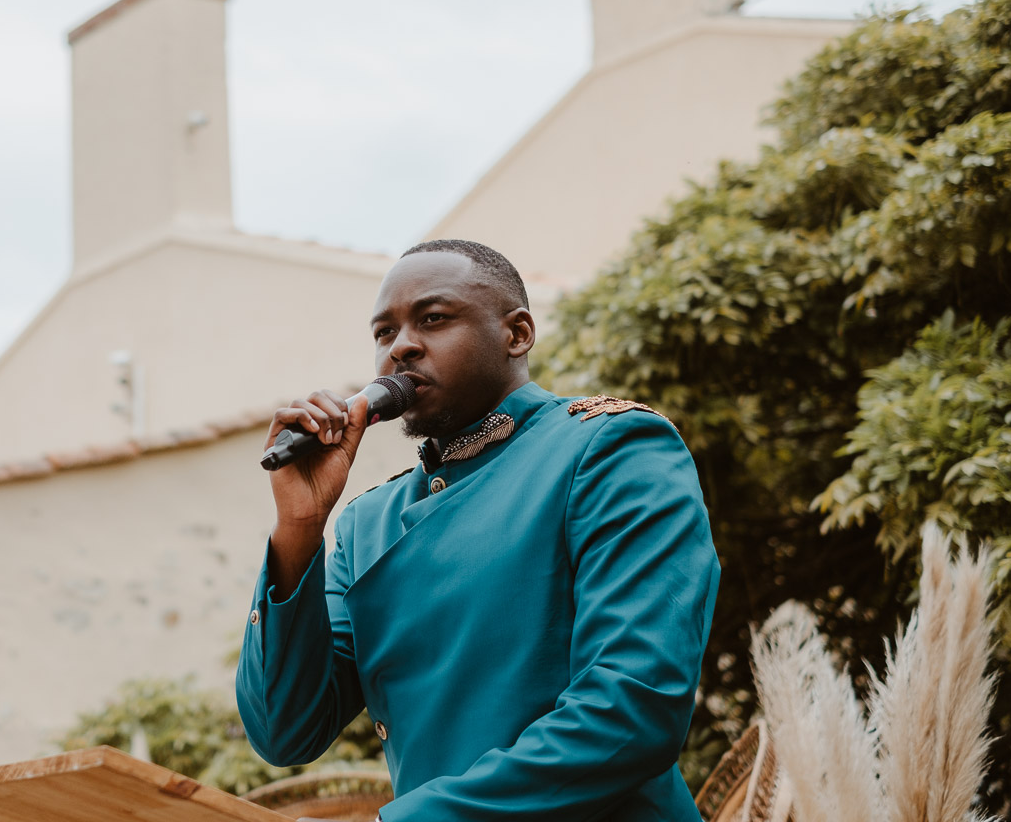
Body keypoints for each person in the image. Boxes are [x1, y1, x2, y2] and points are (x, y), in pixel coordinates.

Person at [235, 239, 720, 821]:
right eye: (383, 333)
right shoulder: (366, 522)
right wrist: (300, 527)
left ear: (517, 334)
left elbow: (631, 709)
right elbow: (286, 732)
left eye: (433, 319)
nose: (402, 347)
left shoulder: (607, 447)